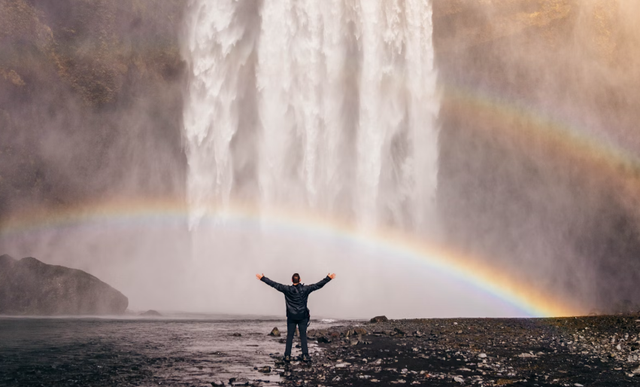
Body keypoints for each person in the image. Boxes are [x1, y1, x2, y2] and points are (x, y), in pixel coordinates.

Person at [256, 272, 335, 363]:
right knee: (303, 336)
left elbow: (274, 284)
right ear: (300, 280)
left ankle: (287, 356)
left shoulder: (287, 289)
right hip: (302, 316)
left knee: (290, 336)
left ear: (292, 280)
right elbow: (317, 285)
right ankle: (305, 355)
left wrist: (262, 278)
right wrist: (328, 278)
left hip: (291, 316)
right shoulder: (305, 289)